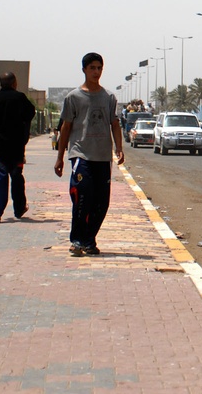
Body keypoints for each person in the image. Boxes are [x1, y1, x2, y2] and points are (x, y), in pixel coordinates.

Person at [55, 52, 125, 256]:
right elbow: (66, 128)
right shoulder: (73, 97)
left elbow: (114, 124)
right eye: (92, 68)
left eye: (99, 68)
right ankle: (76, 240)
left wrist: (119, 147)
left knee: (102, 202)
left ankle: (89, 240)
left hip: (102, 156)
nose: (96, 72)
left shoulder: (109, 97)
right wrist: (60, 156)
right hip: (80, 154)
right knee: (81, 195)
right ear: (84, 69)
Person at [0, 72, 36, 223]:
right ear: (14, 83)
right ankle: (19, 208)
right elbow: (30, 113)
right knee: (17, 177)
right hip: (15, 147)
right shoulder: (20, 98)